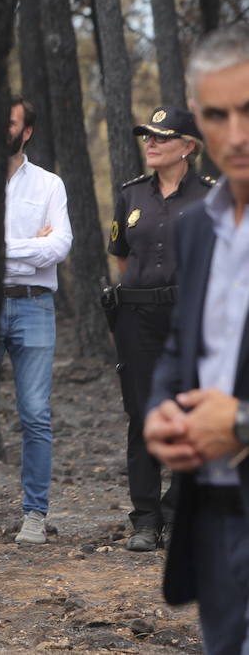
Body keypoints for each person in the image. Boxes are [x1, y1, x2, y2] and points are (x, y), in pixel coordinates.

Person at [144, 24, 249, 653]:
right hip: (211, 516)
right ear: (198, 128)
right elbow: (183, 351)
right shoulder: (197, 231)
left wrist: (238, 423)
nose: (235, 134)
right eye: (217, 114)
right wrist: (163, 409)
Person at [108, 106, 213, 552]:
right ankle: (145, 519)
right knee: (143, 416)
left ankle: (179, 510)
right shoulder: (131, 196)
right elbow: (121, 256)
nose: (150, 143)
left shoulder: (214, 196)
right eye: (147, 136)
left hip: (192, 318)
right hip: (138, 320)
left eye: (162, 137)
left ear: (188, 147)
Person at [0, 97, 73, 545]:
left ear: (26, 132)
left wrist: (1, 250)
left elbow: (60, 246)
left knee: (35, 414)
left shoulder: (49, 184)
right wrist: (30, 246)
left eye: (7, 122)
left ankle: (34, 515)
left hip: (35, 306)